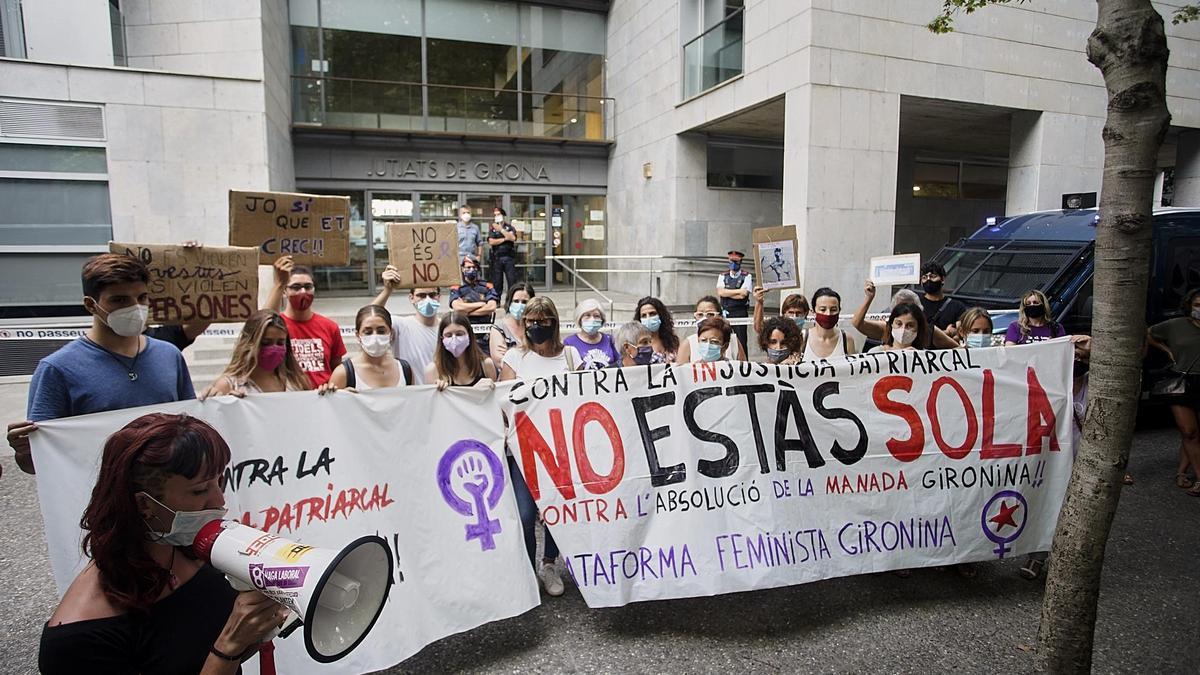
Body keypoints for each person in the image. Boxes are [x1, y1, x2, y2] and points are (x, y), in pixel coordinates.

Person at [38, 413, 287, 673]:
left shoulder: (195, 553)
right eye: (200, 490)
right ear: (144, 504)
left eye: (220, 482)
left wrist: (256, 626)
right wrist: (230, 644)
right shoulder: (78, 642)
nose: (219, 502)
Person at [8, 253, 195, 475]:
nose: (135, 308)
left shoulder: (169, 355)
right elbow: (36, 463)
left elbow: (191, 429)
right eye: (119, 300)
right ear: (91, 305)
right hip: (98, 498)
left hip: (166, 495)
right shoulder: (57, 369)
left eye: (142, 297)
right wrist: (24, 450)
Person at [498, 296, 580, 596]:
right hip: (523, 450)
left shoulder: (570, 357)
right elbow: (501, 403)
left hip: (562, 449)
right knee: (525, 515)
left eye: (542, 321)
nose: (535, 326)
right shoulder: (513, 358)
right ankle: (528, 568)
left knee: (559, 513)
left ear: (553, 323)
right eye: (530, 321)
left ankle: (549, 565)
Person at [1021, 335, 1095, 579]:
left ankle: (1068, 561)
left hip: (1081, 461)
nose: (1077, 360)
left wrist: (1089, 345)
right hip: (1051, 462)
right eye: (1073, 357)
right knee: (1046, 506)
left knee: (1077, 514)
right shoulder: (1050, 385)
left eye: (1081, 357)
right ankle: (1037, 557)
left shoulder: (1092, 385)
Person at [262, 255, 347, 388]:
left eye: (308, 287)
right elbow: (263, 323)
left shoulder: (330, 327)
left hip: (323, 398)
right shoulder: (277, 326)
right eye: (296, 287)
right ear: (285, 291)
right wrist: (279, 283)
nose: (303, 292)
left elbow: (336, 369)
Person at [1147, 288, 1200, 495]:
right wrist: (1167, 351)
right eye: (1197, 305)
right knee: (1189, 431)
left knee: (1196, 433)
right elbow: (1149, 333)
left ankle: (1181, 472)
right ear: (1189, 306)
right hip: (1182, 381)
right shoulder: (1176, 325)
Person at [202, 310, 311, 397]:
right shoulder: (229, 386)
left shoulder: (296, 382)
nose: (273, 348)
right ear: (249, 343)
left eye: (280, 343)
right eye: (265, 343)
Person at [374, 265, 440, 385]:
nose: (427, 300)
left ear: (439, 297)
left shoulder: (447, 329)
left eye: (432, 295)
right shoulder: (400, 325)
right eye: (421, 295)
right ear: (411, 298)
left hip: (440, 395)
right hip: (410, 395)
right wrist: (387, 290)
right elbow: (371, 316)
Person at [854, 280, 959, 349]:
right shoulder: (883, 334)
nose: (903, 329)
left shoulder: (930, 332)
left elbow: (958, 350)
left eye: (910, 325)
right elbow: (857, 323)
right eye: (899, 323)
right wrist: (869, 298)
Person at [329, 305, 413, 391]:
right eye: (368, 332)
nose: (375, 336)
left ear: (391, 333)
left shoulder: (404, 369)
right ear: (358, 336)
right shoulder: (343, 373)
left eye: (381, 331)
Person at [429, 311, 498, 389]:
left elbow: (494, 397)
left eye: (459, 334)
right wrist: (437, 389)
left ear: (469, 335)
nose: (454, 339)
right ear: (442, 338)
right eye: (448, 335)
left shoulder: (486, 365)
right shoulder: (433, 370)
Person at [450, 255, 499, 354]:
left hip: (484, 335)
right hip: (465, 332)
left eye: (474, 267)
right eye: (468, 267)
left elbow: (492, 307)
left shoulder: (487, 286)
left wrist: (466, 311)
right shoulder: (457, 288)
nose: (471, 270)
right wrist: (481, 304)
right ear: (462, 269)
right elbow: (457, 307)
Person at [678, 296, 745, 362]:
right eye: (700, 314)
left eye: (710, 314)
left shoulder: (734, 341)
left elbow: (744, 368)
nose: (704, 318)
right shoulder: (688, 343)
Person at [564, 298, 621, 370]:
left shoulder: (610, 340)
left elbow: (620, 363)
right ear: (580, 319)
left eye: (596, 316)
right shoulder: (569, 342)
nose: (592, 319)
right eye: (587, 315)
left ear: (602, 320)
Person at [803, 287, 857, 360]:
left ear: (839, 311)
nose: (828, 314)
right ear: (813, 312)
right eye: (823, 309)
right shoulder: (802, 338)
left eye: (833, 310)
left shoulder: (846, 339)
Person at [490, 283, 534, 365]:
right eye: (516, 301)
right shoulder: (499, 328)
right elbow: (500, 361)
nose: (520, 305)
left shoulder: (534, 326)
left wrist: (511, 353)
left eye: (524, 302)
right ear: (509, 302)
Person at [717, 250, 753, 351]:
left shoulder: (747, 276)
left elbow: (743, 295)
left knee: (741, 340)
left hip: (740, 312)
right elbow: (720, 292)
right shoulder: (723, 275)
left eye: (736, 262)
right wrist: (737, 292)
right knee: (724, 338)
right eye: (731, 261)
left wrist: (727, 293)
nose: (733, 264)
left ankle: (743, 363)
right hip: (726, 312)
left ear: (740, 262)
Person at [918, 261, 967, 333]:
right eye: (924, 277)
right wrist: (946, 332)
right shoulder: (915, 304)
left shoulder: (957, 307)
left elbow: (961, 333)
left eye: (933, 276)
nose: (928, 280)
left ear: (943, 279)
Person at [634, 297, 680, 364]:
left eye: (652, 314)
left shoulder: (673, 341)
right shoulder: (636, 344)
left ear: (661, 315)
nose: (648, 318)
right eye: (644, 315)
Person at [487, 206, 519, 299]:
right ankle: (497, 300)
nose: (497, 216)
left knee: (512, 280)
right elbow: (491, 241)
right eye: (495, 215)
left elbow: (513, 238)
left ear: (503, 215)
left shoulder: (510, 227)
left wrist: (501, 230)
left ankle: (511, 300)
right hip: (497, 258)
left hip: (509, 257)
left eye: (498, 214)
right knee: (497, 281)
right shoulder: (492, 228)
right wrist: (505, 238)